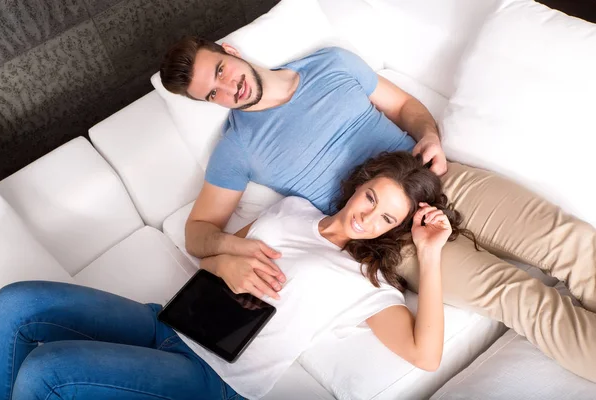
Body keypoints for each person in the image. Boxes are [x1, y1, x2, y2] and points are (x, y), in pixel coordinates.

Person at [159, 36, 596, 382]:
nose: (227, 88)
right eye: (212, 94)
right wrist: (226, 256)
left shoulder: (330, 63)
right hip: (387, 235)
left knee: (571, 243)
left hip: (438, 180)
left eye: (220, 71)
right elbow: (198, 231)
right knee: (517, 297)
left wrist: (428, 135)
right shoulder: (236, 147)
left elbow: (406, 107)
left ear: (230, 51)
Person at [0, 152, 457, 399]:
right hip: (170, 321)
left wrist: (430, 253)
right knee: (14, 303)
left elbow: (426, 354)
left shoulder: (365, 282)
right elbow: (209, 259)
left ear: (395, 230)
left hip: (215, 378)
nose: (368, 218)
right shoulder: (292, 209)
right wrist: (229, 264)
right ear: (363, 181)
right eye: (372, 198)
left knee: (46, 371)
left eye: (386, 219)